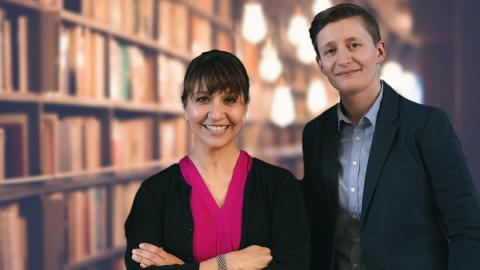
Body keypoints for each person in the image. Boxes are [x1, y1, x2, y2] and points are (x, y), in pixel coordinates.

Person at [302, 3, 480, 270]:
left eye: (354, 45)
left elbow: (467, 229)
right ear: (321, 64)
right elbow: (318, 228)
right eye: (330, 50)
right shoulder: (315, 134)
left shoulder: (428, 125)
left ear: (379, 51)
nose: (343, 59)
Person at [125, 49, 309, 270]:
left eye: (230, 100)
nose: (216, 114)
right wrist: (224, 264)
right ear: (185, 106)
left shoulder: (279, 187)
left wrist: (185, 267)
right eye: (203, 99)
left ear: (245, 108)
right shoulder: (154, 193)